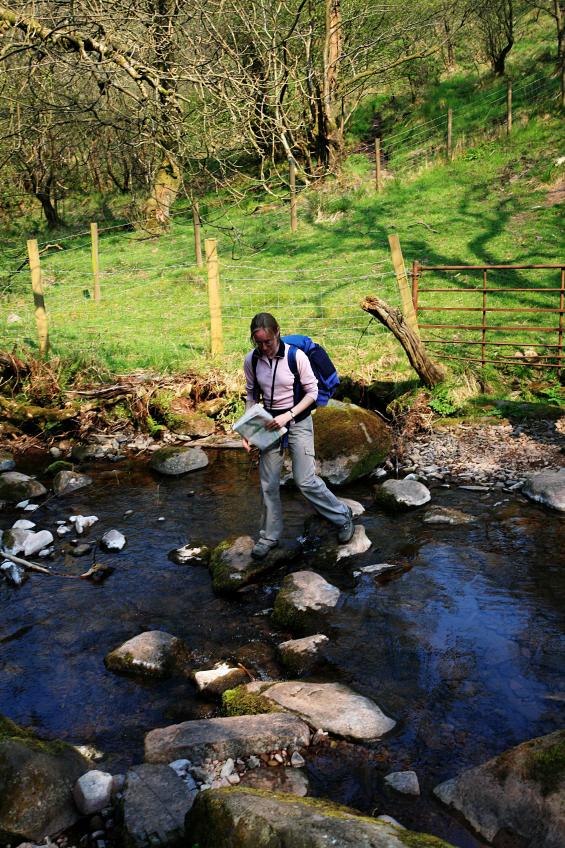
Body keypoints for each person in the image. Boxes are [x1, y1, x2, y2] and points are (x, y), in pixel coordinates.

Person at [242, 312, 354, 559]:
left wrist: (288, 415)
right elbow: (252, 396)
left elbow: (312, 393)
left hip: (299, 421)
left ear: (277, 333)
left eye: (268, 342)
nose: (264, 347)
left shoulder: (296, 357)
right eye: (258, 343)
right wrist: (248, 429)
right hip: (269, 425)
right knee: (268, 484)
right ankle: (269, 536)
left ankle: (343, 515)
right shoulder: (251, 360)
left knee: (305, 480)